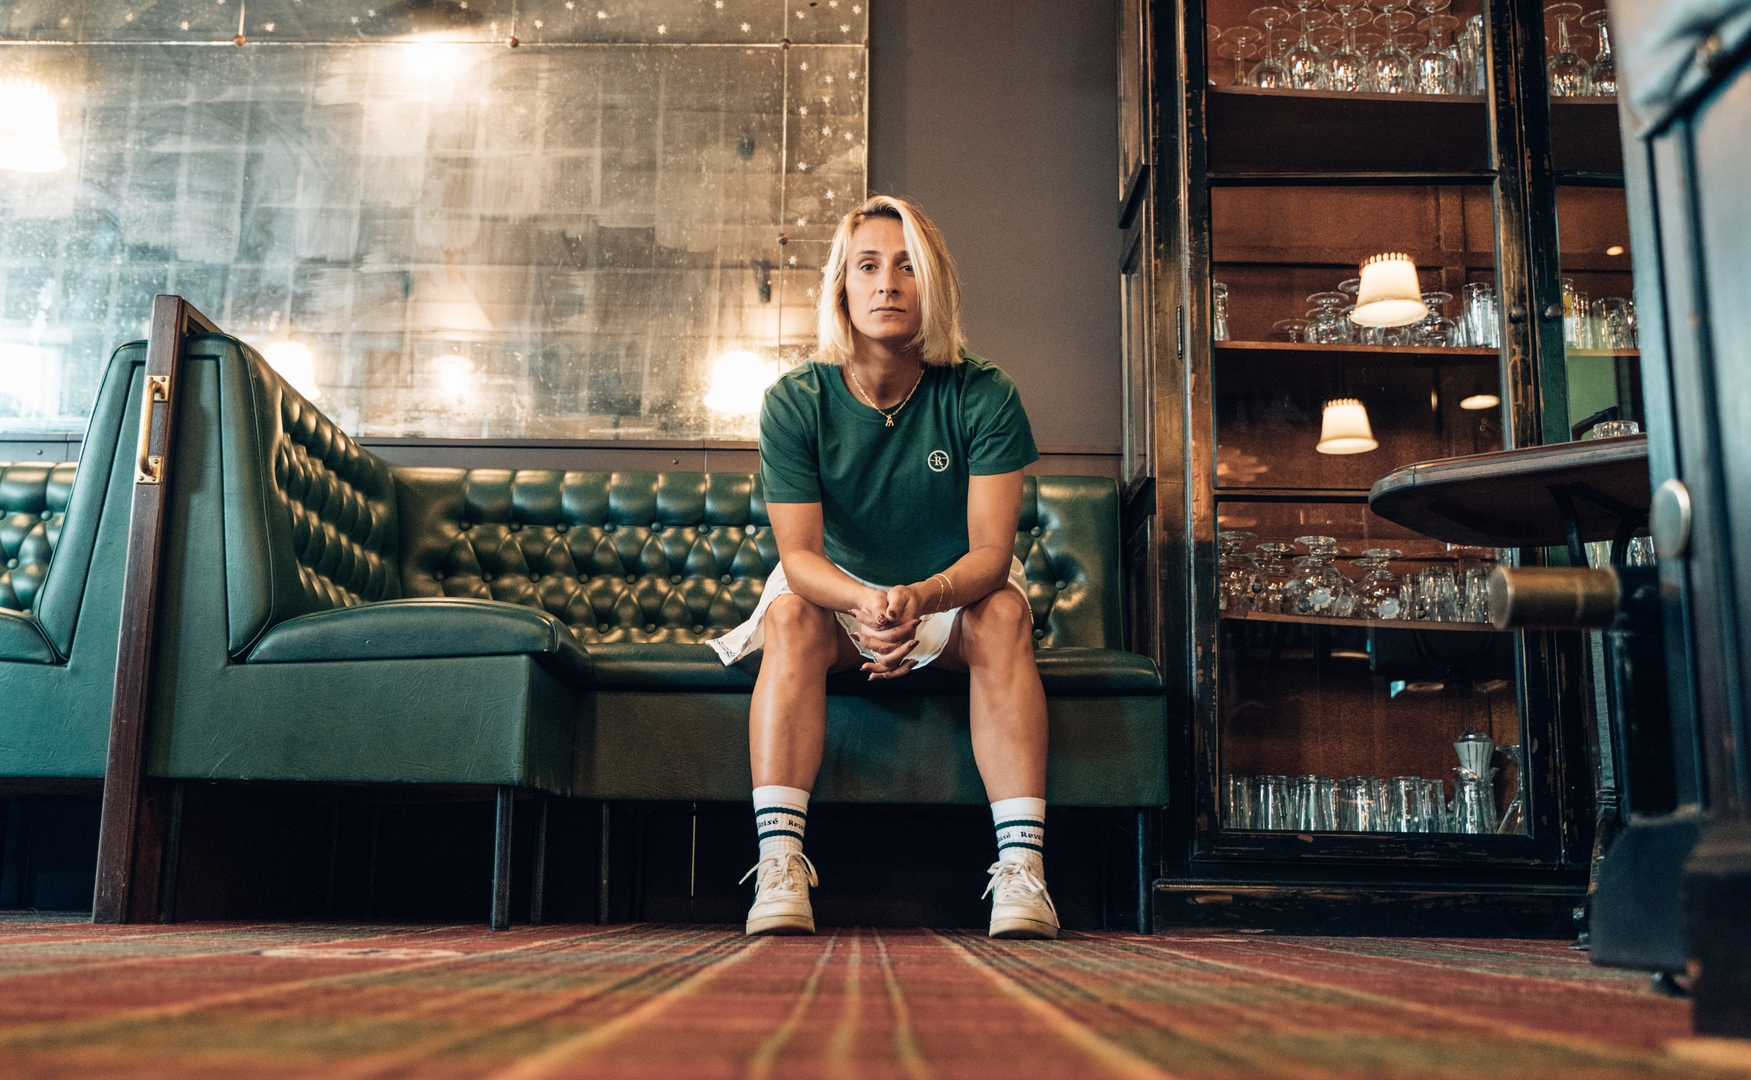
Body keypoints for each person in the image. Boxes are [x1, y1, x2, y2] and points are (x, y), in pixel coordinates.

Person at [708, 195, 1056, 939]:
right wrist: (867, 601)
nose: (887, 284)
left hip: (954, 594)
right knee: (789, 617)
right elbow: (799, 558)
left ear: (934, 285)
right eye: (867, 266)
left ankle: (1022, 873)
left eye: (907, 266)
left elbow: (993, 555)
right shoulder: (794, 401)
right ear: (842, 285)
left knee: (1004, 614)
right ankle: (778, 865)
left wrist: (921, 597)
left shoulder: (985, 393)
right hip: (838, 595)